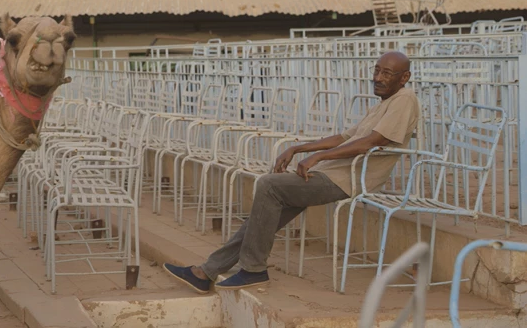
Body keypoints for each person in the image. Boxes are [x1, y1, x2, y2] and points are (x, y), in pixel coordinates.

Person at [163, 51, 420, 293]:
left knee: (269, 185)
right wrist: (299, 148)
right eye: (376, 71)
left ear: (404, 77)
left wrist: (317, 156)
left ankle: (253, 269)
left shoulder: (405, 99)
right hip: (330, 174)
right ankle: (207, 273)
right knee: (267, 209)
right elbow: (344, 137)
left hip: (350, 180)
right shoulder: (382, 104)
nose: (377, 78)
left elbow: (371, 142)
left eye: (386, 73)